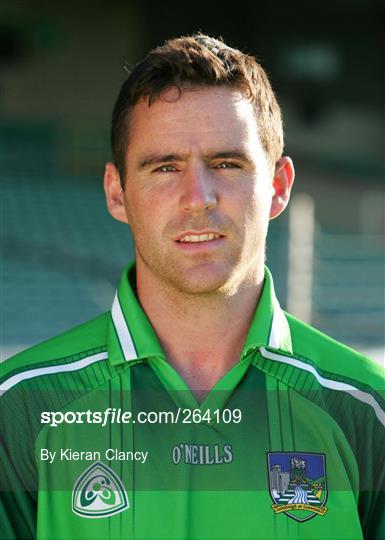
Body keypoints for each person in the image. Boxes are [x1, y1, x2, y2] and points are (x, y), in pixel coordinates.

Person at [1, 33, 384, 540]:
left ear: (279, 186)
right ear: (117, 193)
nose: (197, 198)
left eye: (227, 163)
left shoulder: (365, 407)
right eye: (164, 167)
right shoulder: (24, 407)